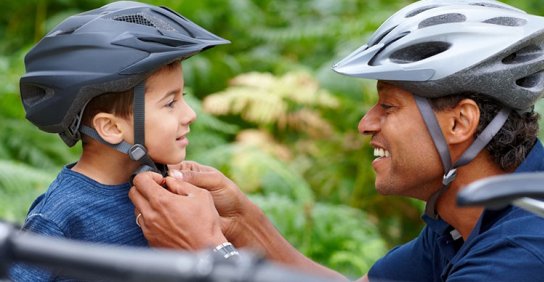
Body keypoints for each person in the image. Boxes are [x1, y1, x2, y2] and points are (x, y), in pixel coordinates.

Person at [130, 0, 544, 281]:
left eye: (389, 106)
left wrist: (209, 251)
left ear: (460, 123)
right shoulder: (469, 218)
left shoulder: (521, 255)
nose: (366, 124)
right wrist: (242, 223)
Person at [9, 1, 228, 281]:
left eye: (182, 97)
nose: (191, 115)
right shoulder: (61, 216)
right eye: (170, 103)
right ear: (111, 128)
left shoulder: (168, 188)